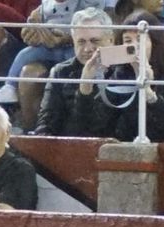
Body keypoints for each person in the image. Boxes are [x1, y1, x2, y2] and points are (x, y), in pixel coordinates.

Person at [68, 11, 164, 139]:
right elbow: (94, 126)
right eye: (127, 40)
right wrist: (86, 85)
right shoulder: (119, 74)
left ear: (155, 43)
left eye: (140, 40)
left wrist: (148, 91)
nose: (134, 46)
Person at [35, 7, 112, 135]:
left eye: (95, 41)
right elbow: (45, 126)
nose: (88, 49)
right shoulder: (60, 73)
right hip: (70, 148)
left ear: (111, 40)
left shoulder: (123, 71)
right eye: (81, 42)